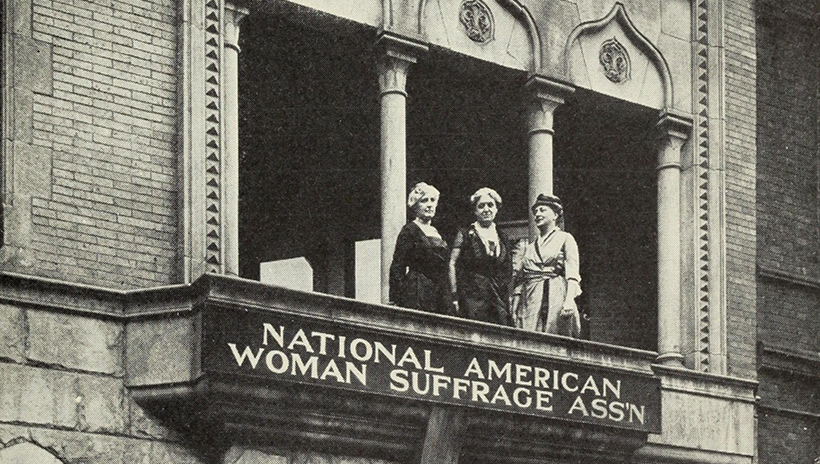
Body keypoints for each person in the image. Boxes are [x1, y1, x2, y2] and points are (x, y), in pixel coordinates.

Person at [512, 194, 582, 336]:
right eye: (535, 211)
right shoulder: (529, 248)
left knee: (556, 336)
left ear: (555, 214)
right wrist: (515, 306)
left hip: (556, 294)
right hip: (531, 298)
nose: (537, 214)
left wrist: (569, 301)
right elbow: (521, 279)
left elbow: (572, 272)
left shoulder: (565, 239)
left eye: (542, 210)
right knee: (530, 336)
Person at [448, 188, 512, 325]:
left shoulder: (502, 237)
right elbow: (452, 263)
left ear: (496, 209)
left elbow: (507, 268)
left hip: (498, 296)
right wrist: (454, 296)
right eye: (481, 206)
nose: (486, 209)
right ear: (475, 211)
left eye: (490, 205)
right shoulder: (465, 234)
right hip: (472, 297)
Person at [389, 182, 450, 314]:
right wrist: (396, 298)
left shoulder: (436, 232)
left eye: (432, 200)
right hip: (417, 290)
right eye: (424, 201)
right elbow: (397, 266)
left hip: (438, 292)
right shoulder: (409, 230)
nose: (429, 204)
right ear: (416, 206)